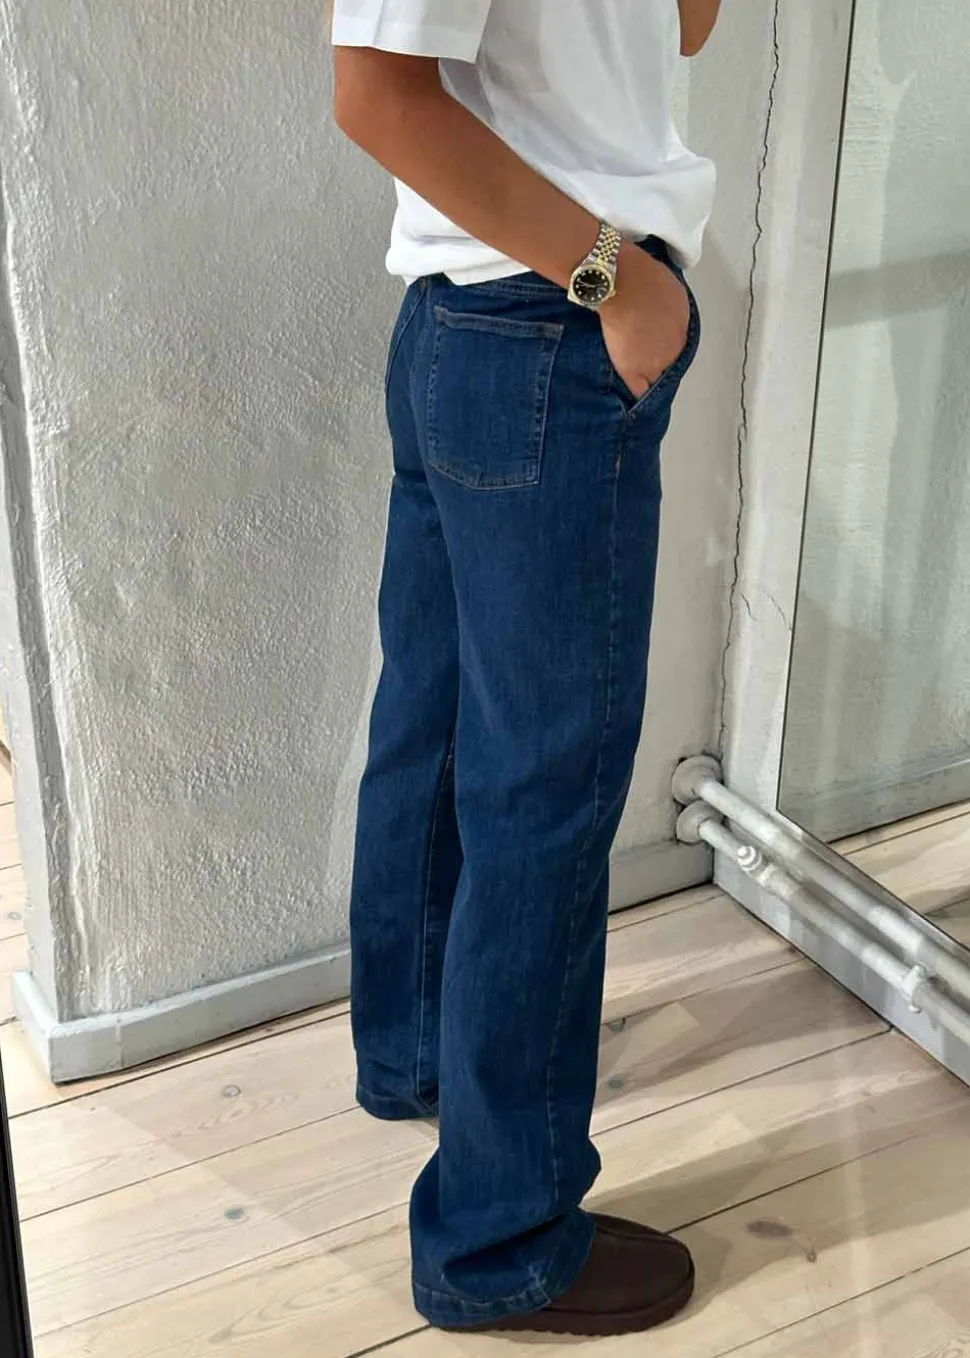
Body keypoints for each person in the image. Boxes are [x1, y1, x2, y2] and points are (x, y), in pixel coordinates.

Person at [331, 0, 721, 1336]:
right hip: (548, 320)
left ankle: (420, 1055)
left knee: (440, 724)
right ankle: (500, 1244)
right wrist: (619, 278)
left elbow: (679, 29)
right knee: (542, 794)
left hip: (488, 324)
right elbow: (376, 91)